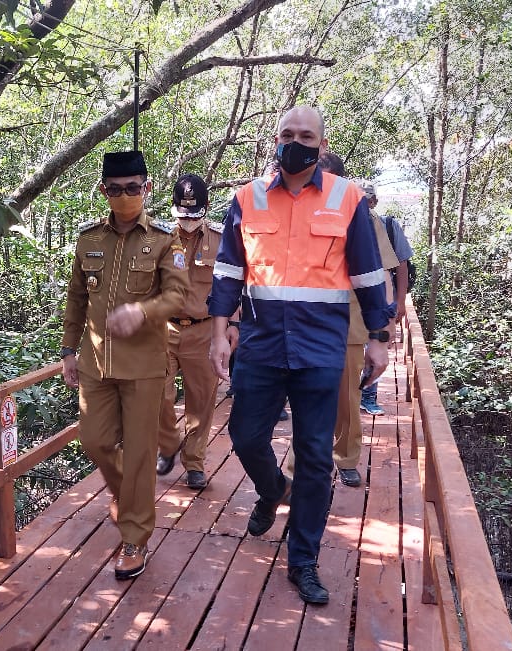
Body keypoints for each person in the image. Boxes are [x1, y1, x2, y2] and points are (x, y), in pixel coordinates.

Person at [208, 106, 394, 605]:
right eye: (287, 134)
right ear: (275, 139)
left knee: (315, 457)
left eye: (306, 136)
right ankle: (273, 489)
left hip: (320, 350)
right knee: (245, 436)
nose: (296, 142)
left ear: (322, 143)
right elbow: (228, 272)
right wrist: (219, 333)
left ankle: (303, 560)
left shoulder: (346, 198)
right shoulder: (247, 198)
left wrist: (379, 337)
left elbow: (368, 274)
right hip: (261, 346)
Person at [61, 150, 188, 580]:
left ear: (147, 188)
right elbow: (77, 298)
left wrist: (143, 312)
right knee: (94, 441)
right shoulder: (89, 239)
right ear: (103, 191)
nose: (124, 196)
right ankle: (127, 497)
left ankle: (135, 538)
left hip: (144, 366)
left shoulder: (165, 240)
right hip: (96, 363)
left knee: (138, 456)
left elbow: (178, 296)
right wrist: (68, 351)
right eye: (115, 190)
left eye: (133, 188)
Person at [281, 161, 400, 490]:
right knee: (305, 397)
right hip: (303, 321)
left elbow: (383, 273)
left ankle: (346, 457)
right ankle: (296, 466)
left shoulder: (363, 215)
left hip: (348, 321)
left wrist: (384, 329)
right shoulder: (294, 211)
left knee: (347, 397)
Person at [155, 174, 223, 490]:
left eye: (194, 215)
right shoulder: (158, 239)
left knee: (201, 400)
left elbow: (231, 288)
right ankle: (168, 443)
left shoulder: (222, 240)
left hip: (204, 331)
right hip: (164, 329)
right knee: (157, 395)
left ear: (205, 208)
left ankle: (194, 463)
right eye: (183, 214)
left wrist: (231, 328)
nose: (188, 221)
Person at [355, 179, 414, 416]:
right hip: (352, 296)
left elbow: (402, 265)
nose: (362, 204)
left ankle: (368, 396)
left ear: (374, 201)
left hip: (381, 294)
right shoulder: (345, 222)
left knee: (376, 343)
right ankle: (350, 395)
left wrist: (400, 302)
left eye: (367, 200)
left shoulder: (387, 225)